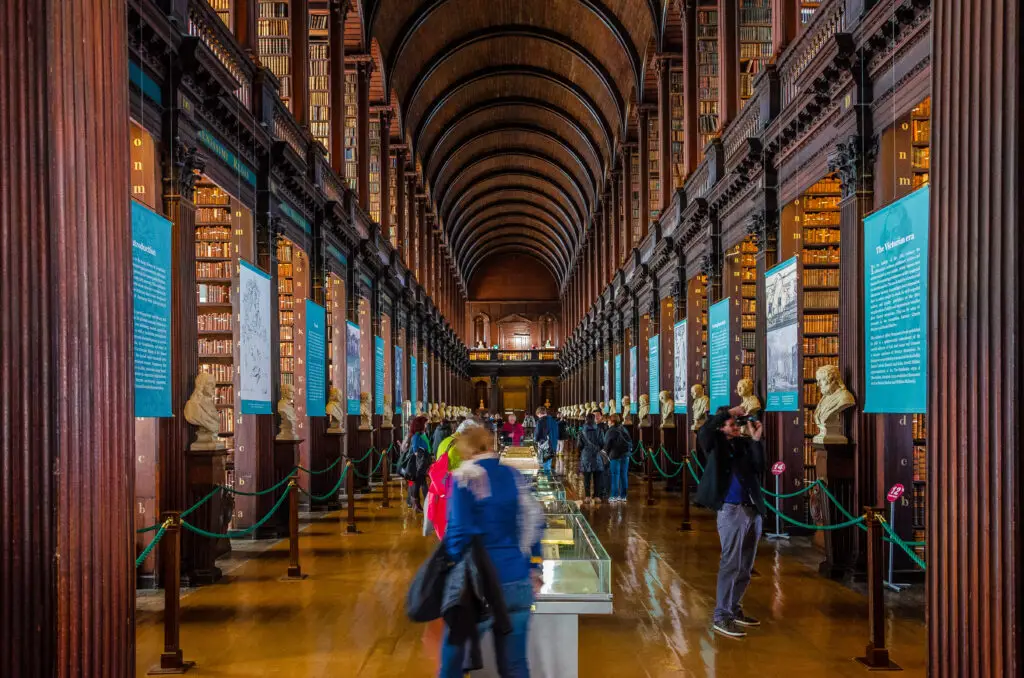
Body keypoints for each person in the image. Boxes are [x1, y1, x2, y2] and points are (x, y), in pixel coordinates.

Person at [439, 423, 545, 677]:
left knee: (452, 659)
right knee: (515, 664)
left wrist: (451, 564)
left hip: (479, 585)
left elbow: (458, 532)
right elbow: (535, 520)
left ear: (466, 451)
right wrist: (534, 566)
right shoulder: (513, 475)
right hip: (517, 580)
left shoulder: (464, 477)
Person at [695, 405, 766, 639]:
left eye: (737, 424)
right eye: (732, 424)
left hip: (751, 510)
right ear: (721, 427)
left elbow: (759, 468)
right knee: (730, 563)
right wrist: (729, 413)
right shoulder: (715, 445)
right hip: (731, 510)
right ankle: (721, 616)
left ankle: (734, 608)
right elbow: (704, 431)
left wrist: (756, 440)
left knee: (745, 566)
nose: (736, 427)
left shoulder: (744, 444)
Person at [402, 415, 433, 512]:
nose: (426, 425)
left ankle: (420, 504)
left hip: (422, 461)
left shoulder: (421, 434)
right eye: (425, 423)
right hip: (419, 463)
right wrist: (422, 456)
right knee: (420, 482)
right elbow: (415, 450)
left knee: (421, 482)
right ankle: (420, 503)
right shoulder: (416, 436)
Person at [576, 414, 606, 504]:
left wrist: (583, 450)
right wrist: (597, 448)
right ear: (594, 420)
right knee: (597, 477)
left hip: (586, 455)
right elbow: (602, 443)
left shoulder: (582, 431)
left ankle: (588, 497)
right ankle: (597, 497)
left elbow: (579, 445)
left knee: (586, 478)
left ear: (586, 420)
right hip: (597, 455)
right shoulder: (600, 430)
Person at [604, 414, 632, 503]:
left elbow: (607, 444)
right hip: (625, 455)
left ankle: (614, 496)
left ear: (612, 421)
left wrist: (607, 454)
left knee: (615, 475)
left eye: (608, 421)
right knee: (624, 475)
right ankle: (623, 496)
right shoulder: (623, 428)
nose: (607, 423)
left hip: (615, 456)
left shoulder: (610, 431)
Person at [534, 406, 559, 475]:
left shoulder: (540, 421)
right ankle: (548, 479)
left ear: (539, 413)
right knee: (548, 464)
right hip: (553, 445)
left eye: (538, 415)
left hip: (545, 445)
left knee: (545, 465)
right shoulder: (553, 421)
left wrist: (535, 439)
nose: (538, 417)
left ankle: (547, 480)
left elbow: (537, 435)